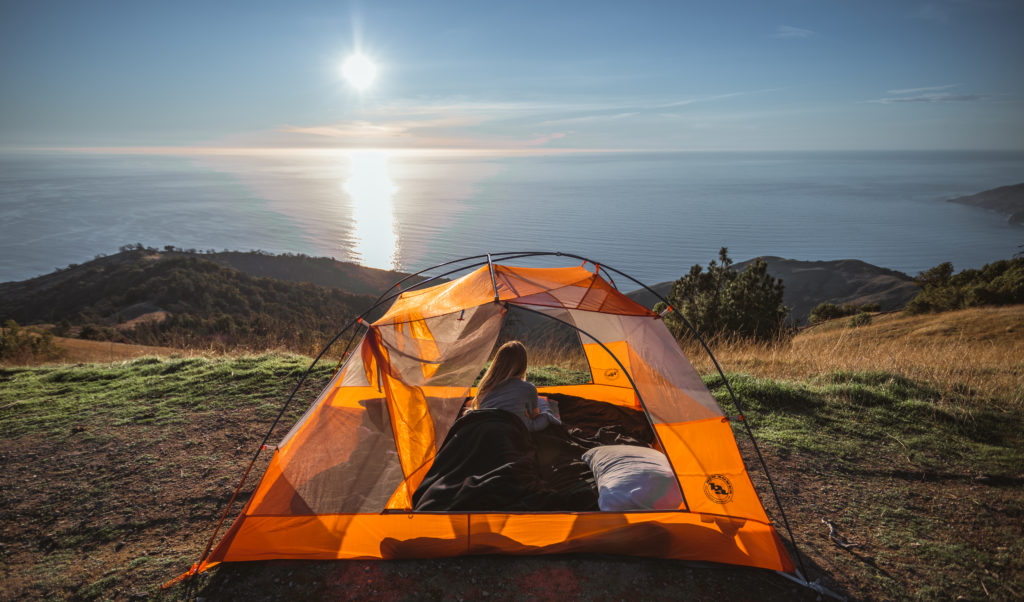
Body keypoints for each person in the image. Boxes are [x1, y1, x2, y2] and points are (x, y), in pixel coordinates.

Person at [469, 340, 559, 432]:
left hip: (489, 428)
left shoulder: (486, 386)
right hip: (517, 428)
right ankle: (558, 423)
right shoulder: (528, 388)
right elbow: (534, 415)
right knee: (545, 411)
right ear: (523, 364)